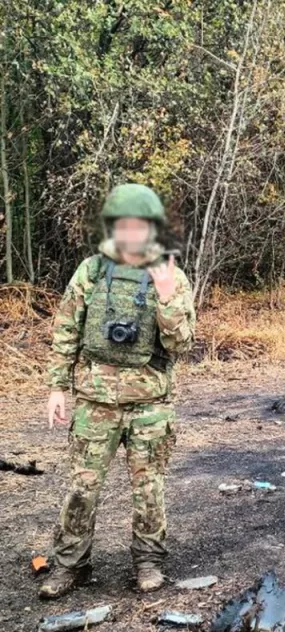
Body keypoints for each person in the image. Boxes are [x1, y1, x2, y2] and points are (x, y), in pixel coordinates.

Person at [40, 183, 196, 599]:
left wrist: (165, 299)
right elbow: (66, 331)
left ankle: (148, 562)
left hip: (150, 403)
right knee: (81, 486)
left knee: (149, 489)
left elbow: (182, 344)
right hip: (95, 401)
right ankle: (70, 564)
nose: (131, 232)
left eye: (139, 224)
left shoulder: (171, 275)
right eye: (123, 224)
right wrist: (57, 387)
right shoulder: (91, 271)